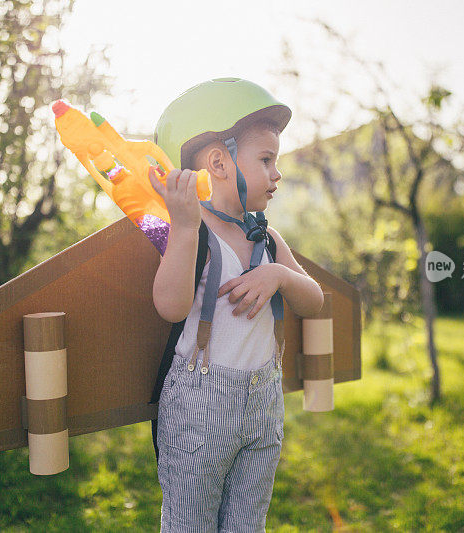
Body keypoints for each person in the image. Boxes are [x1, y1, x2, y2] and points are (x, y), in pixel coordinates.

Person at [147, 77, 324, 532]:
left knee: (248, 525)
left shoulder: (263, 236)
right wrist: (184, 229)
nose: (276, 173)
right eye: (266, 160)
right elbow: (169, 306)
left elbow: (314, 299)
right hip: (200, 413)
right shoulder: (196, 231)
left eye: (276, 161)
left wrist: (280, 274)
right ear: (219, 163)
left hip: (262, 405)